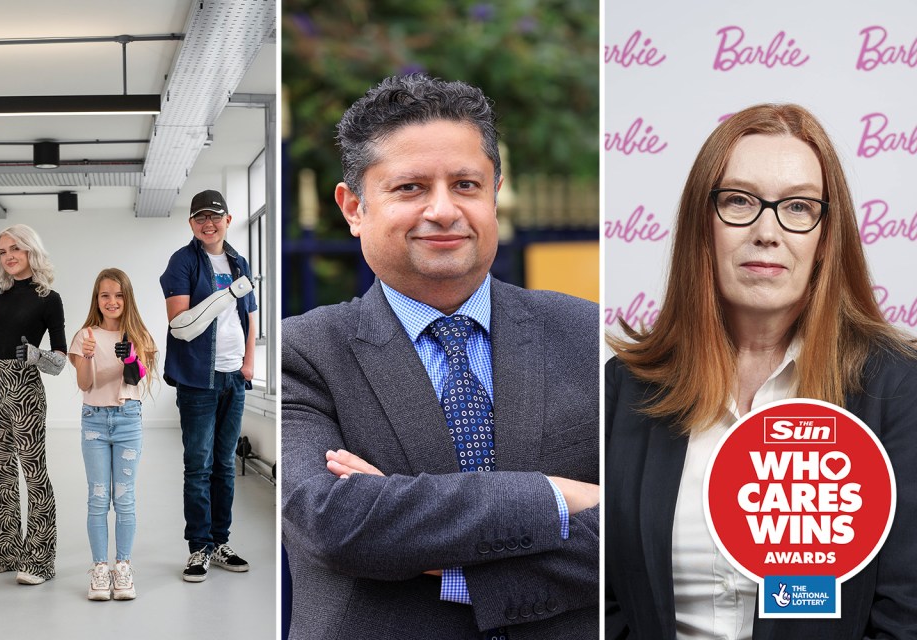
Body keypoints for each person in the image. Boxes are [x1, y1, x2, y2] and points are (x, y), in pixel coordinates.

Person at [282, 73, 600, 640]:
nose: (444, 210)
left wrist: (444, 561)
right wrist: (558, 496)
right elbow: (333, 521)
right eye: (410, 188)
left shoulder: (587, 334)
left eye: (466, 184)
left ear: (494, 192)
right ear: (354, 207)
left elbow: (640, 530)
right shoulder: (304, 354)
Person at [604, 104, 917, 639]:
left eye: (797, 207)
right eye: (739, 201)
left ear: (825, 238)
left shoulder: (897, 388)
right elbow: (605, 602)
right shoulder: (626, 388)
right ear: (703, 225)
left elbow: (905, 614)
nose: (766, 231)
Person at [159, 189, 257, 582]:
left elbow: (249, 318)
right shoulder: (182, 262)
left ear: (228, 220)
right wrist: (228, 294)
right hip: (198, 379)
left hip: (235, 375)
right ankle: (198, 548)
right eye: (200, 217)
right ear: (191, 224)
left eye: (215, 216)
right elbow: (181, 326)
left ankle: (221, 542)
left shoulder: (239, 262)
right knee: (197, 466)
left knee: (225, 465)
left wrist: (250, 362)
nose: (208, 223)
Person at [0, 224, 66, 585]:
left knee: (34, 474)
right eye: (3, 251)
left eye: (15, 249)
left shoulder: (49, 299)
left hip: (26, 389)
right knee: (4, 474)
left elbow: (60, 361)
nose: (8, 256)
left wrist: (35, 354)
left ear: (30, 252)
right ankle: (5, 550)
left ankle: (40, 557)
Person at [68, 268, 157, 600]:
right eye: (105, 295)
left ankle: (123, 567)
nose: (112, 301)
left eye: (118, 295)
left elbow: (136, 378)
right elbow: (85, 384)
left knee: (125, 498)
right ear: (97, 299)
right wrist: (89, 357)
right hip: (94, 421)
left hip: (128, 420)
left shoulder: (139, 336)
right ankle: (99, 569)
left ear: (127, 298)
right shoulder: (85, 336)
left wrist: (131, 358)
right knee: (97, 497)